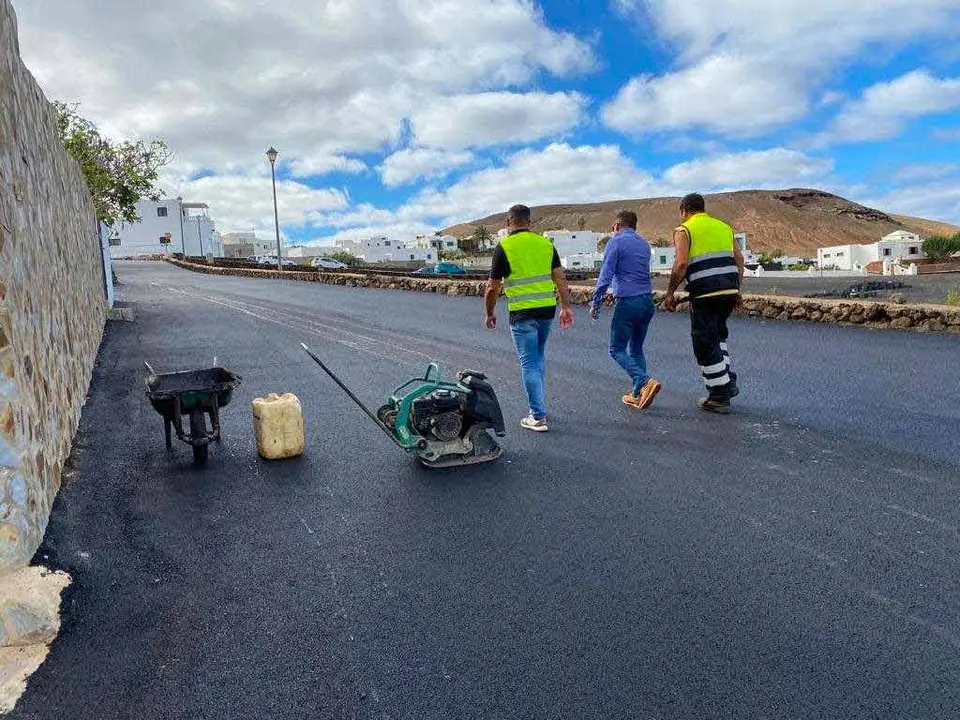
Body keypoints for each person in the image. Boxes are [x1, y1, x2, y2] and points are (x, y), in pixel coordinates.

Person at [485, 204, 575, 432]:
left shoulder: (504, 247)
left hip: (522, 312)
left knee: (529, 362)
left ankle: (537, 415)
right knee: (538, 356)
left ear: (508, 223)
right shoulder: (546, 244)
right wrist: (566, 307)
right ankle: (539, 406)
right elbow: (561, 279)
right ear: (530, 222)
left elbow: (492, 288)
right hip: (547, 309)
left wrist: (489, 312)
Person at [662, 193, 745, 414]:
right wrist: (737, 289)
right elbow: (740, 260)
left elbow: (681, 264)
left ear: (683, 210)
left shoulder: (684, 230)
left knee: (704, 341)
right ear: (703, 208)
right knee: (718, 336)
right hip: (728, 289)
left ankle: (719, 396)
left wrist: (670, 292)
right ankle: (728, 382)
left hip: (705, 293)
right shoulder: (724, 227)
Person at [589, 210, 661, 410]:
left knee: (616, 349)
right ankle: (638, 394)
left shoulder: (616, 241)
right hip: (647, 302)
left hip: (628, 303)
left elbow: (605, 276)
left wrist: (596, 304)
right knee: (636, 349)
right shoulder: (644, 244)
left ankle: (645, 381)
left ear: (617, 225)